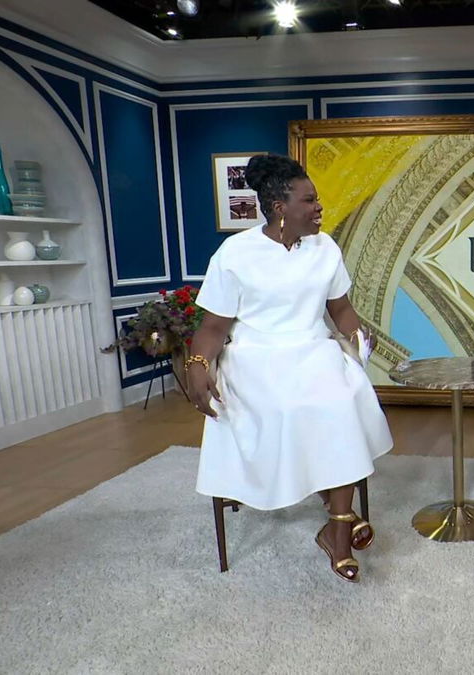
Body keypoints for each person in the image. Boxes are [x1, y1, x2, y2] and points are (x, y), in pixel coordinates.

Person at [185, 153, 393, 583]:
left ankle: (336, 528)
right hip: (256, 357)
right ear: (280, 207)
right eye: (310, 200)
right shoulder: (236, 253)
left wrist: (358, 342)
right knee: (295, 407)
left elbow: (342, 310)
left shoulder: (325, 247)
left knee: (340, 399)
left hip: (312, 347)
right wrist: (198, 363)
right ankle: (340, 517)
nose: (319, 208)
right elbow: (213, 327)